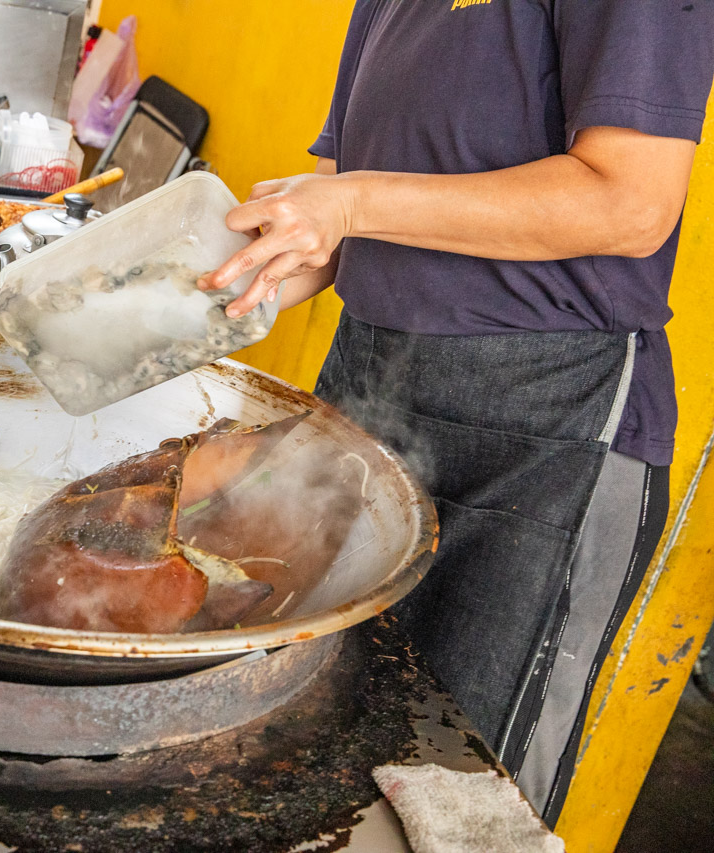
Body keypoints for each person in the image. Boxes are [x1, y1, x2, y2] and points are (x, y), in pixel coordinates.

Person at [198, 1, 714, 823]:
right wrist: (184, 309)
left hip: (545, 439)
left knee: (457, 796)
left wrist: (349, 203)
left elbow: (630, 204)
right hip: (371, 397)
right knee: (303, 747)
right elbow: (334, 212)